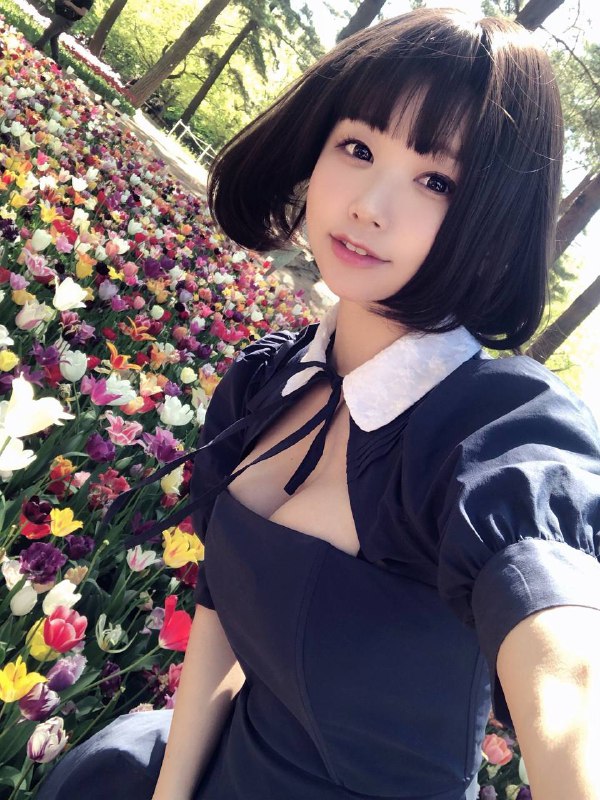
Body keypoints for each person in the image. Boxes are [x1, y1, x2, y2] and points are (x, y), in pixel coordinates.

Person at [37, 7, 600, 800]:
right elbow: (219, 620)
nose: (370, 204)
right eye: (359, 147)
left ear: (493, 220)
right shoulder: (266, 383)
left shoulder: (490, 428)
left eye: (437, 181)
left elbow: (567, 668)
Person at [33, 0, 93, 66]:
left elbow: (82, 12)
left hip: (66, 18)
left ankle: (37, 47)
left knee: (49, 32)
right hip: (63, 14)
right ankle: (55, 59)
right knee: (54, 37)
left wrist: (70, 4)